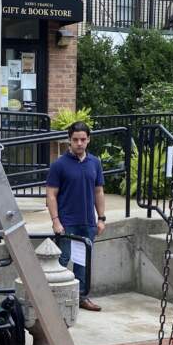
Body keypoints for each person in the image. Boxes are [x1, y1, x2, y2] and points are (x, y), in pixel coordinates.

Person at [45, 120, 106, 312]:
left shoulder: (94, 162)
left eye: (83, 139)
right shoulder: (59, 165)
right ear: (69, 140)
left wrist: (101, 218)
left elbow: (98, 191)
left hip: (87, 223)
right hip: (66, 223)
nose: (79, 143)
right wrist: (56, 221)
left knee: (83, 262)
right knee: (62, 260)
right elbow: (51, 195)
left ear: (88, 140)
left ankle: (82, 298)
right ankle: (53, 301)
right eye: (75, 139)